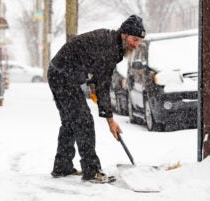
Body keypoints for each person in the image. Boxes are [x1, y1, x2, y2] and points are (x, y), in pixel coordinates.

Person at [48, 14, 146, 182]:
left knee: (71, 122)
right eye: (134, 39)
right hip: (63, 77)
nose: (136, 45)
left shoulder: (111, 43)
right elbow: (103, 84)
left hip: (59, 73)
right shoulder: (109, 48)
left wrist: (93, 86)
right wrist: (110, 120)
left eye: (139, 41)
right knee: (83, 120)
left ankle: (62, 166)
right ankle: (92, 170)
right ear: (124, 34)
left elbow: (97, 74)